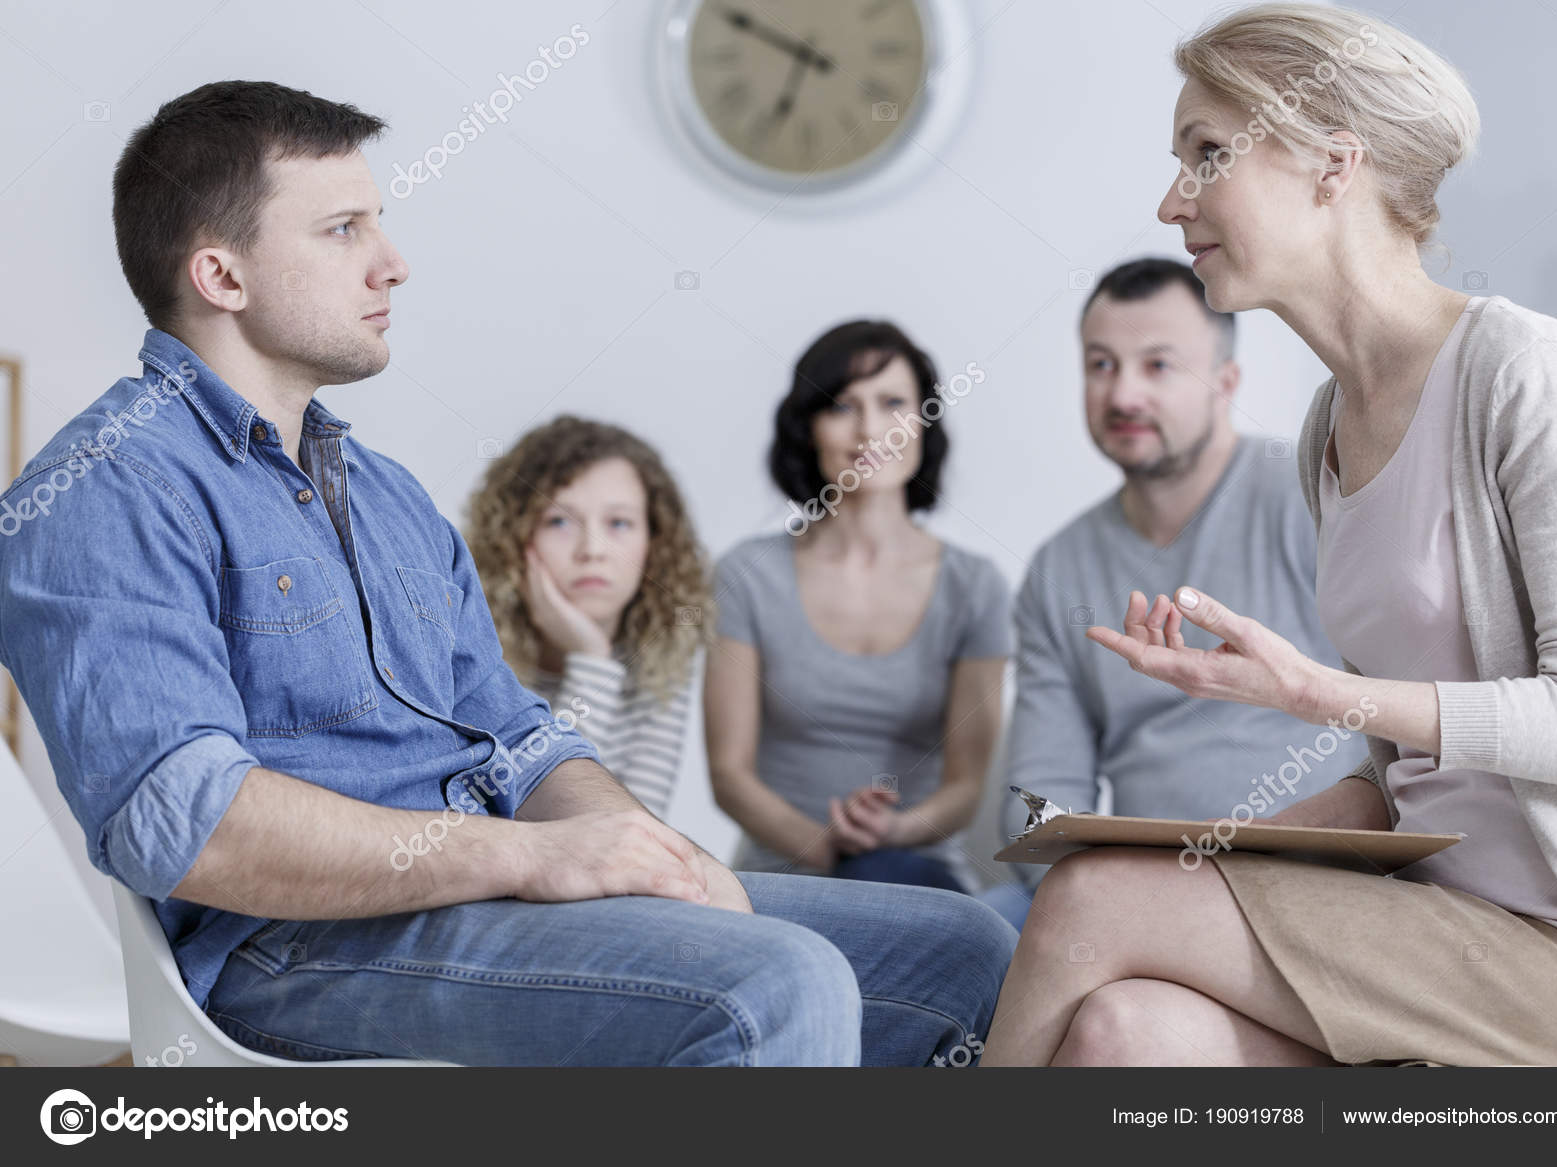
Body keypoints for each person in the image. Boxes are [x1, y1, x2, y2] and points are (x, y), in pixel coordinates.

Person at [0, 81, 1015, 1067]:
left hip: (479, 896)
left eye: (379, 223)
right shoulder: (105, 488)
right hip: (290, 947)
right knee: (777, 981)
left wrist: (647, 852)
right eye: (344, 230)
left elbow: (522, 742)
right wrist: (532, 856)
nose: (393, 263)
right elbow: (185, 825)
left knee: (964, 953)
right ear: (223, 277)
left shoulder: (385, 496)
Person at [984, 3, 1557, 1067]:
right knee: (1126, 1033)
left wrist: (1313, 693)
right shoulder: (1331, 427)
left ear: (1332, 165)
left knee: (1092, 900)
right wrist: (1211, 847)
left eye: (1205, 154)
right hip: (1434, 921)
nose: (1171, 201)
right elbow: (1400, 781)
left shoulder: (1520, 371)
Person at [980, 257, 1362, 932]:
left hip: (1309, 880)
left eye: (1158, 365)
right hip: (1134, 888)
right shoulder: (1058, 568)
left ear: (1225, 383)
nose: (1123, 394)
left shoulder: (1311, 500)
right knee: (969, 935)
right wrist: (1099, 890)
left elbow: (1399, 711)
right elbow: (1040, 794)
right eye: (1101, 365)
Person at [705, 320, 1012, 893]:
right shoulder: (747, 574)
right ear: (809, 428)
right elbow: (729, 774)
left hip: (917, 875)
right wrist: (829, 847)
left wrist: (890, 832)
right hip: (784, 878)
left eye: (893, 404)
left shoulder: (975, 587)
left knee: (885, 876)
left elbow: (966, 787)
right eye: (842, 406)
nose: (870, 429)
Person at [467, 416, 710, 821]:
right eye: (559, 521)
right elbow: (530, 824)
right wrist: (592, 662)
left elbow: (636, 830)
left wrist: (591, 659)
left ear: (654, 542)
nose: (592, 550)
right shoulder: (476, 656)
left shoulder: (663, 653)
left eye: (619, 523)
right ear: (512, 540)